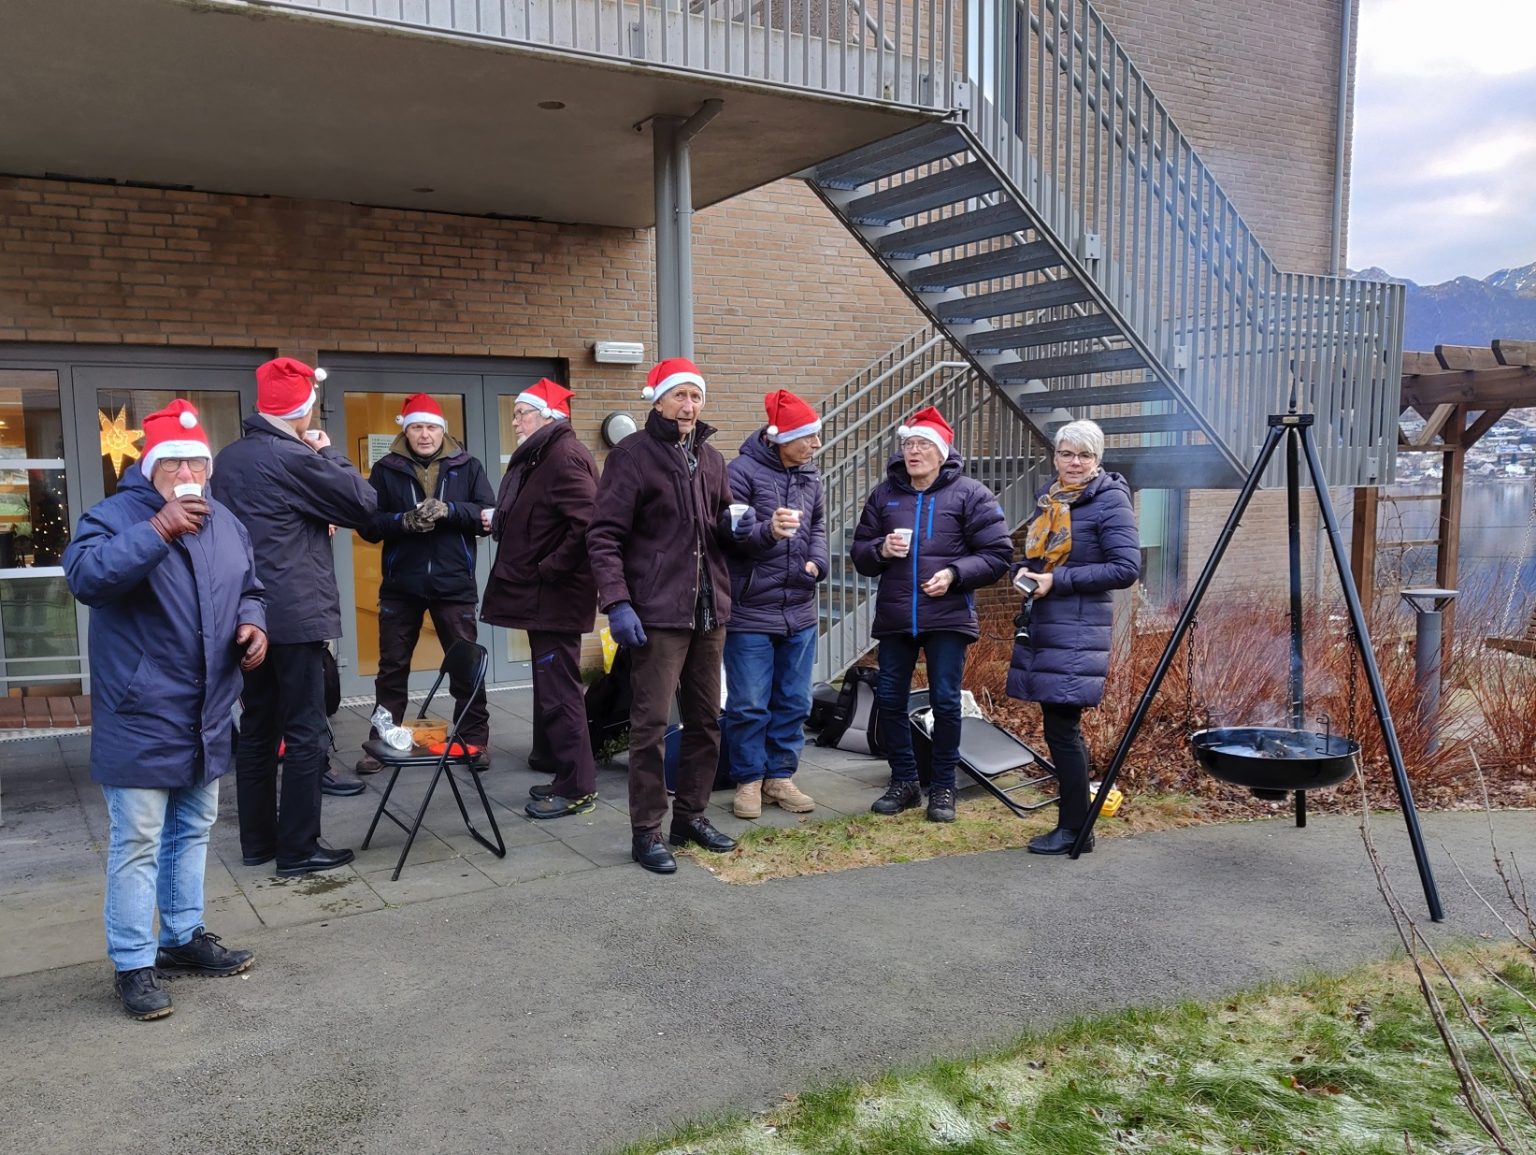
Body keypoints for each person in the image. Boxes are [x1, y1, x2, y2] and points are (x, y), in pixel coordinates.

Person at [63, 400, 267, 1020]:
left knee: (192, 833)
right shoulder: (113, 517)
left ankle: (182, 937)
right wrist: (158, 530)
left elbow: (250, 587)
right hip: (142, 712)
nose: (187, 472)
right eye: (174, 461)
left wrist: (254, 624)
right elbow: (87, 577)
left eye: (197, 462)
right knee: (138, 842)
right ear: (150, 467)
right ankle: (133, 962)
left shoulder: (227, 522)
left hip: (205, 713)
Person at [211, 357, 378, 877]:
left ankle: (258, 843)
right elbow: (364, 503)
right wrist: (331, 455)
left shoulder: (230, 458)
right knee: (306, 730)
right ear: (304, 407)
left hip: (246, 612)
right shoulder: (295, 456)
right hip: (296, 612)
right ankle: (299, 848)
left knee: (259, 727)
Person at [587, 356, 754, 874]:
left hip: (709, 612)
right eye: (679, 396)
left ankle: (691, 817)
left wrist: (741, 530)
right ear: (656, 400)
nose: (688, 406)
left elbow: (721, 526)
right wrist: (616, 602)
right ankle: (647, 831)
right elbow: (603, 536)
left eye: (696, 397)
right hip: (657, 615)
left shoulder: (712, 459)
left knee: (706, 722)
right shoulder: (632, 457)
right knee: (651, 726)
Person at [850, 406, 1012, 823]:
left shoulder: (971, 494)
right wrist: (881, 550)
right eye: (908, 444)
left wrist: (955, 574)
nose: (914, 451)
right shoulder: (884, 495)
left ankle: (943, 787)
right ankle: (904, 781)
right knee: (889, 699)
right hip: (896, 615)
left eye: (923, 444)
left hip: (948, 615)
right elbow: (861, 556)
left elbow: (998, 555)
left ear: (941, 452)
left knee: (944, 701)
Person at [1006, 419, 1140, 854]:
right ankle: (1076, 827)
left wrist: (1056, 581)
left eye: (1084, 455)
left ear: (1097, 460)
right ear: (1055, 457)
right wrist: (1022, 574)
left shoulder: (1110, 502)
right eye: (1067, 453)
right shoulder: (1052, 500)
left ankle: (1074, 831)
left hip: (1079, 629)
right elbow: (1036, 557)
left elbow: (1124, 569)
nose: (1075, 462)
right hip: (1049, 624)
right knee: (1060, 729)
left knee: (1063, 730)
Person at [355, 393, 496, 774]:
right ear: (405, 429)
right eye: (416, 426)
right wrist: (402, 521)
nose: (424, 434)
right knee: (392, 667)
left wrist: (450, 511)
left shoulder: (468, 466)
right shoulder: (386, 468)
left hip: (454, 583)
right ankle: (382, 740)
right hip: (402, 584)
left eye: (431, 426)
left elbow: (487, 512)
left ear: (443, 430)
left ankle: (473, 740)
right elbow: (369, 525)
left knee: (465, 667)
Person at [480, 379, 601, 818]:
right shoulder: (542, 455)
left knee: (561, 694)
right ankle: (568, 776)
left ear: (547, 415)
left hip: (556, 600)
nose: (514, 421)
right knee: (555, 692)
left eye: (520, 413)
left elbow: (588, 524)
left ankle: (578, 789)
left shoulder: (563, 457)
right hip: (545, 600)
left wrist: (548, 569)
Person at [721, 389, 828, 819]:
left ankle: (779, 776)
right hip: (750, 610)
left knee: (796, 701)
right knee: (748, 702)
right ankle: (748, 780)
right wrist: (767, 530)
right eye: (808, 437)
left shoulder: (810, 477)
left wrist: (817, 562)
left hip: (799, 608)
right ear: (781, 438)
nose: (816, 445)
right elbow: (729, 533)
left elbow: (818, 525)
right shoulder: (739, 473)